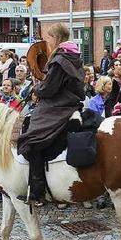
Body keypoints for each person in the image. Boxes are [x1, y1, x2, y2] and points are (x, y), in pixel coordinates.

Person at [17, 23, 85, 204]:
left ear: (56, 38)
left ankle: (37, 190)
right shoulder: (73, 55)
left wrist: (36, 89)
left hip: (59, 105)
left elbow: (49, 88)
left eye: (49, 38)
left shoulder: (60, 59)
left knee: (31, 140)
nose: (47, 42)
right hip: (70, 103)